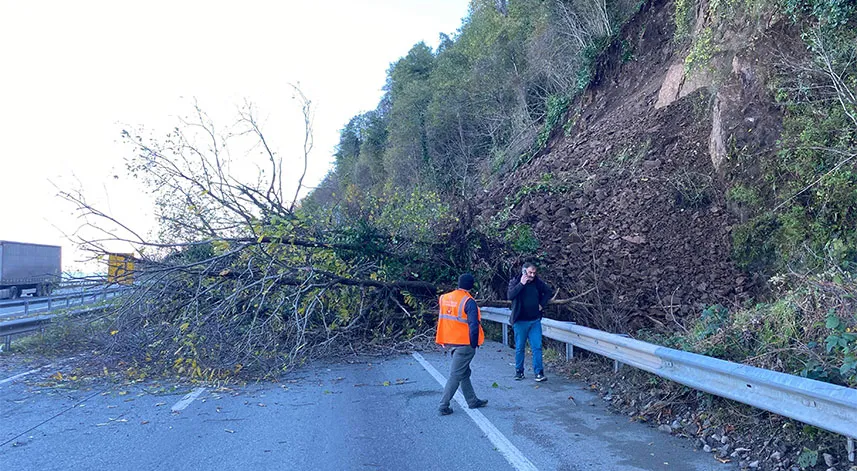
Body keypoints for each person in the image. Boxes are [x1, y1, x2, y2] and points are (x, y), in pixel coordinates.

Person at [435, 273, 488, 416]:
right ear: (471, 286)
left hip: (450, 341)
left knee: (463, 372)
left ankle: (472, 400)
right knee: (456, 375)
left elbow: (445, 319)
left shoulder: (445, 298)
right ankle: (443, 405)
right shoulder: (468, 301)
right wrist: (474, 343)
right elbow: (473, 325)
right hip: (464, 343)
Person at [507, 262, 553, 382]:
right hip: (520, 321)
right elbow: (510, 295)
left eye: (534, 272)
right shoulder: (515, 281)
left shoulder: (537, 282)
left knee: (537, 347)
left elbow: (548, 292)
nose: (532, 275)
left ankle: (539, 372)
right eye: (530, 272)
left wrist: (541, 304)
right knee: (520, 347)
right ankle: (519, 371)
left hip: (534, 320)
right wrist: (521, 284)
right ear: (524, 271)